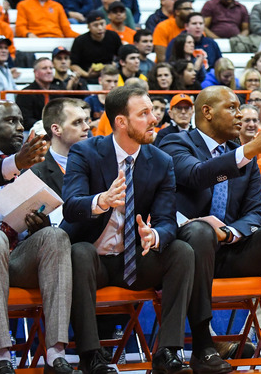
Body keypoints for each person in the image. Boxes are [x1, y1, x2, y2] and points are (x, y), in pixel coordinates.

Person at [159, 85, 261, 370]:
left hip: (231, 252)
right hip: (188, 256)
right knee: (200, 231)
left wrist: (228, 233)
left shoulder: (243, 157)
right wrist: (250, 150)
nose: (240, 115)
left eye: (240, 109)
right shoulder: (175, 144)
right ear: (207, 112)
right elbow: (196, 175)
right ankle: (203, 345)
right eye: (232, 108)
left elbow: (257, 213)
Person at [62, 85, 196, 374]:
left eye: (152, 111)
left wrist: (155, 235)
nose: (154, 119)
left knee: (181, 251)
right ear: (121, 122)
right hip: (92, 262)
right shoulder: (85, 152)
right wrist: (102, 201)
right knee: (80, 252)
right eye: (144, 113)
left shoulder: (161, 161)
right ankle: (90, 355)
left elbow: (166, 220)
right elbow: (70, 206)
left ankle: (168, 351)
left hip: (133, 260)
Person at [0, 100, 75, 374]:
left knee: (55, 235)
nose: (20, 127)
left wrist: (39, 225)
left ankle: (55, 351)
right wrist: (14, 163)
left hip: (17, 258)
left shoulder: (32, 167)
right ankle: (0, 354)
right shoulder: (17, 163)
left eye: (20, 120)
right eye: (10, 121)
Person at [32, 97, 90, 195]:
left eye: (86, 121)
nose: (87, 127)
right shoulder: (35, 173)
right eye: (77, 122)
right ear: (56, 129)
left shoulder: (99, 162)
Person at [16, 57, 64, 128]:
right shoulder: (25, 93)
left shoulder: (58, 91)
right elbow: (25, 120)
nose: (49, 71)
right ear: (36, 73)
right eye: (44, 68)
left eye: (51, 68)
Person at [0, 36, 15, 102]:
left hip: (8, 109)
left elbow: (14, 91)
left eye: (6, 48)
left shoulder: (6, 68)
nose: (3, 51)